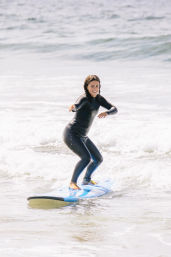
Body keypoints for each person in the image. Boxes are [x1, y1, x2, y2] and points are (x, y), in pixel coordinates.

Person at [63, 75, 118, 190]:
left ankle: (86, 180)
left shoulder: (99, 99)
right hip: (71, 133)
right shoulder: (84, 98)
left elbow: (114, 109)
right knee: (86, 158)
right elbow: (76, 106)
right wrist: (73, 107)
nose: (95, 88)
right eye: (92, 86)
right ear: (86, 87)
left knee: (98, 159)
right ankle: (72, 182)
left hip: (83, 136)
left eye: (97, 86)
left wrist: (107, 113)